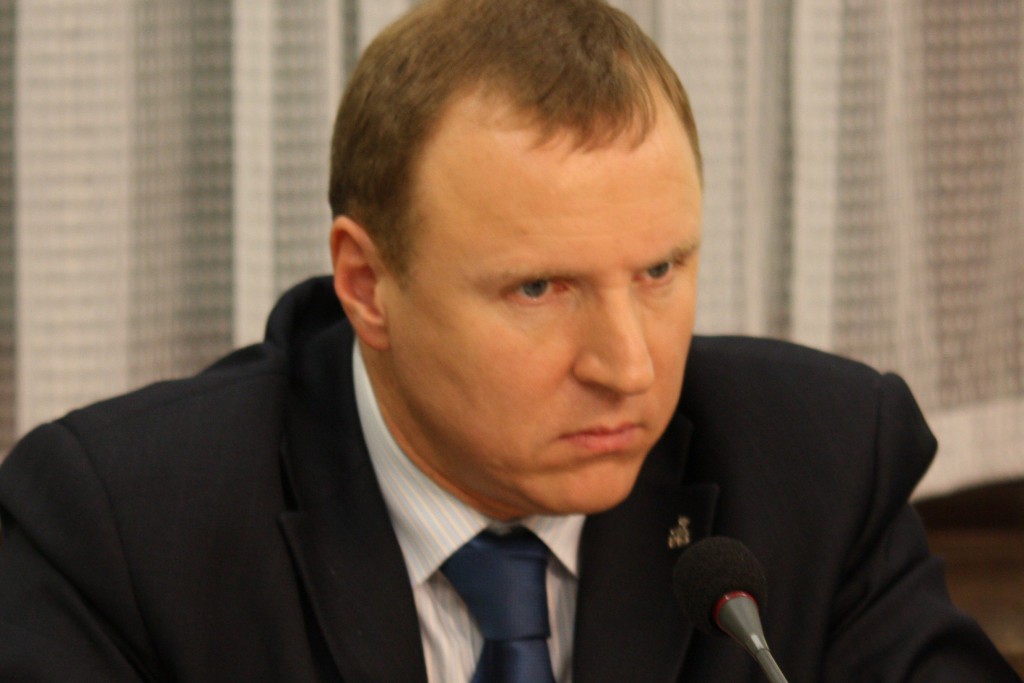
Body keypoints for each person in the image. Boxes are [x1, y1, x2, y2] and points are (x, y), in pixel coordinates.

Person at [0, 0, 1018, 681]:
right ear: (366, 286)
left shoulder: (816, 465)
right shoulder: (124, 528)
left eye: (659, 271)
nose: (628, 366)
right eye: (539, 287)